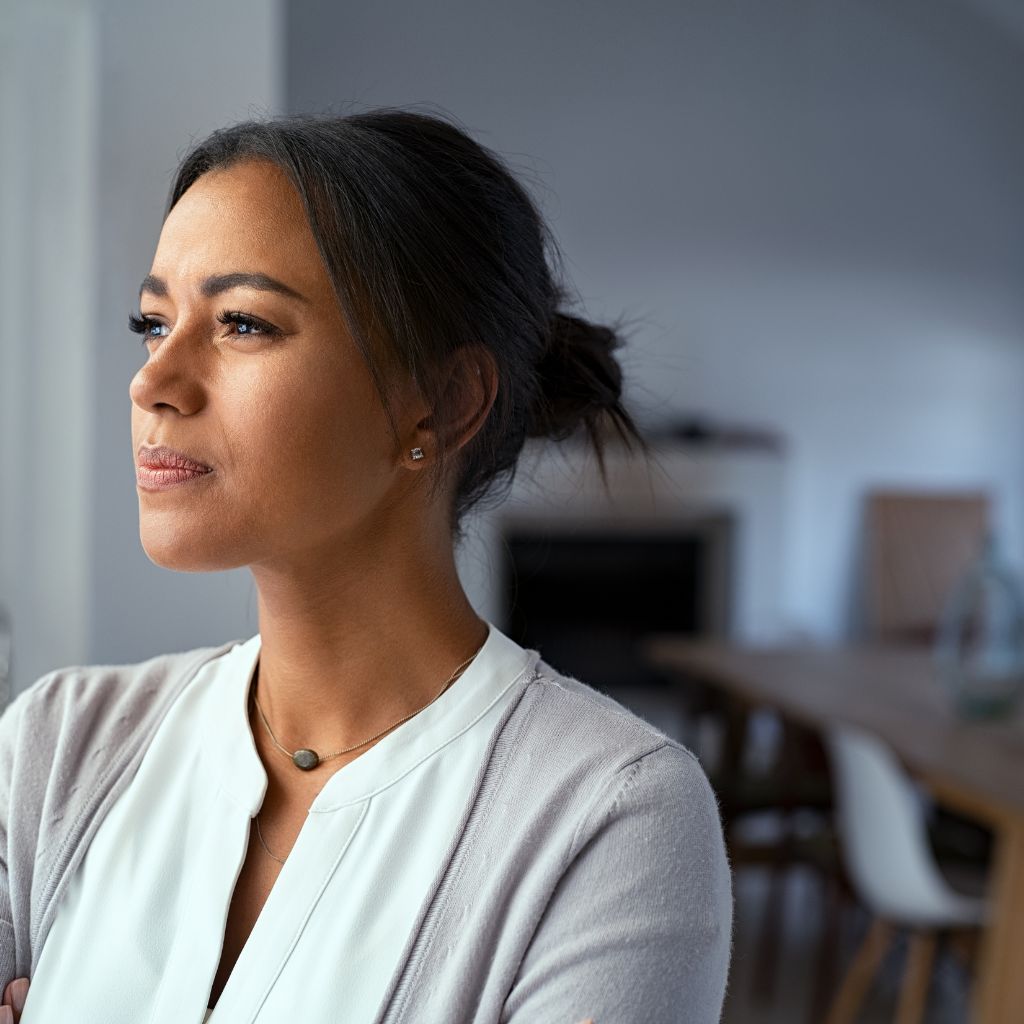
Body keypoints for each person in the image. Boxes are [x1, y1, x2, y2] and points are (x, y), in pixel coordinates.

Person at [0, 108, 732, 1023]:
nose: (154, 380)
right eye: (153, 322)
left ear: (442, 402)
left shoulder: (610, 820)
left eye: (242, 324)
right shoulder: (57, 748)